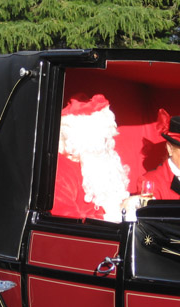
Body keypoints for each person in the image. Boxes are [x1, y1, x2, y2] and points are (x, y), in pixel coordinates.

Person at [52, 94, 130, 222]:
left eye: (108, 139)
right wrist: (109, 219)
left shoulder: (99, 165)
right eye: (103, 139)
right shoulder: (62, 169)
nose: (107, 145)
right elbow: (66, 220)